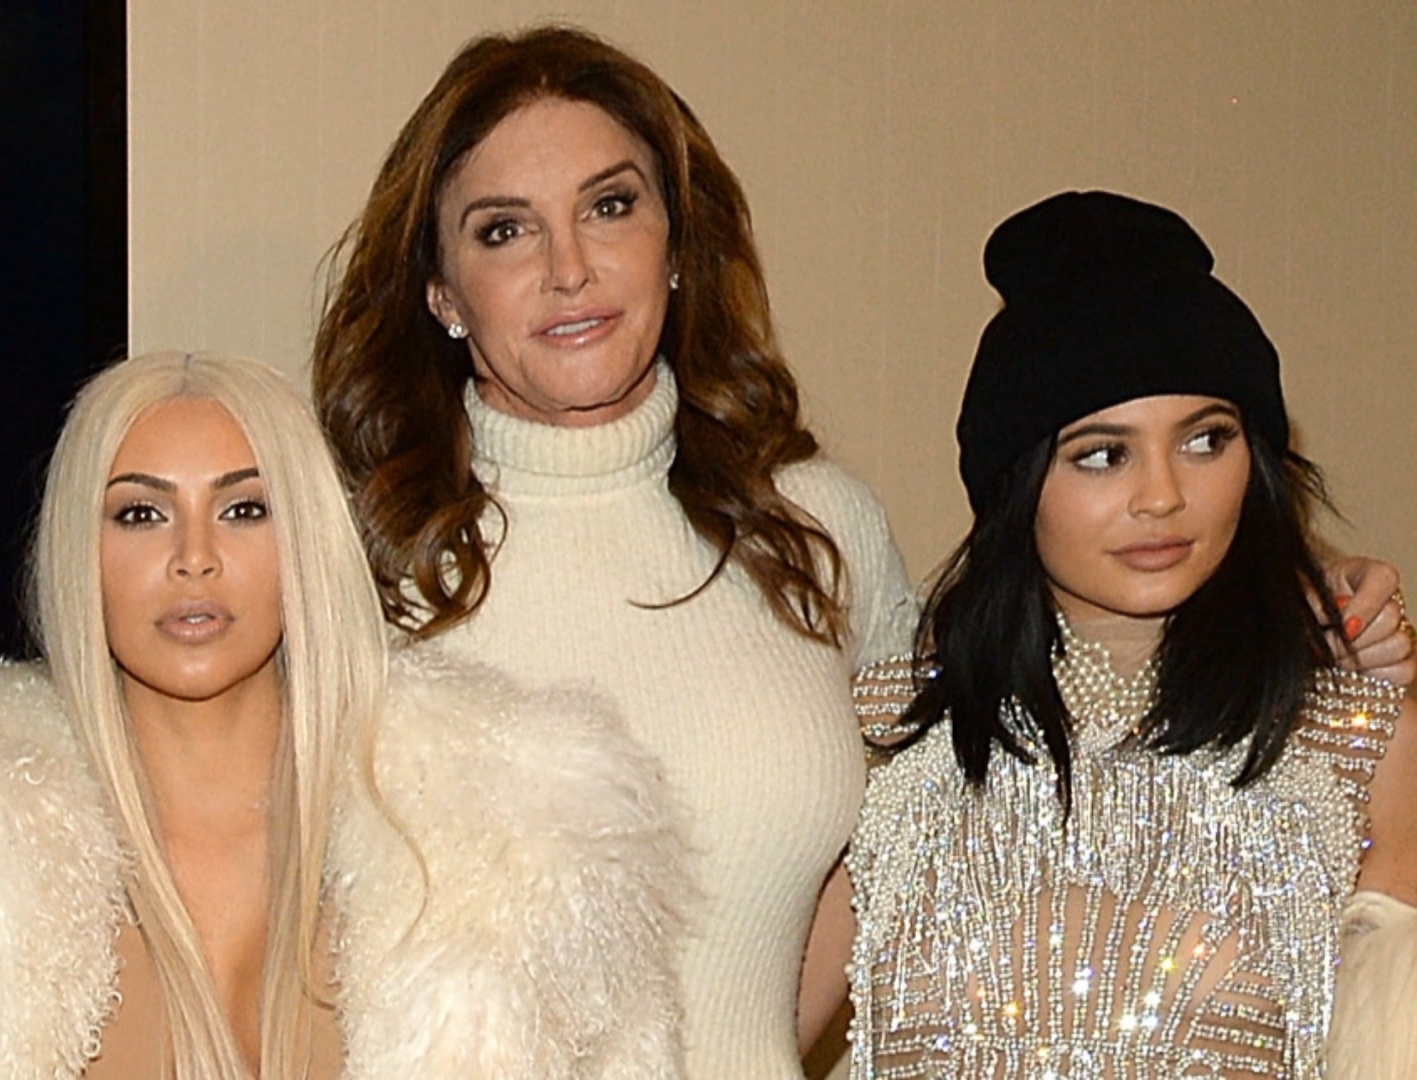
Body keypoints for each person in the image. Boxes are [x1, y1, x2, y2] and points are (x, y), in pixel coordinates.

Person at [310, 25, 1416, 1077]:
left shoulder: (814, 531)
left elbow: (1000, 721)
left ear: (678, 244)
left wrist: (1293, 600)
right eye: (504, 229)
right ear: (440, 291)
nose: (570, 267)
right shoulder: (358, 568)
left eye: (610, 205)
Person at [0, 351, 689, 1079]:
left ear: (305, 538)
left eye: (244, 509)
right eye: (141, 513)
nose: (193, 558)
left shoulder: (514, 849)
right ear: (77, 552)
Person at [843, 191, 1417, 1078]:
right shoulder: (887, 736)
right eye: (1103, 453)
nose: (1161, 496)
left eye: (1206, 440)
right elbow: (732, 1018)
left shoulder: (1355, 739)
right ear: (1015, 484)